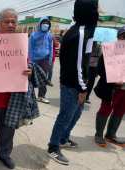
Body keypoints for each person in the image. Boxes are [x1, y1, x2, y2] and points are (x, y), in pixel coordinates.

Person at [0, 8, 38, 170]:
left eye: (13, 22)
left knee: (8, 129)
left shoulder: (20, 43)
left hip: (12, 98)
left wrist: (29, 70)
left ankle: (4, 154)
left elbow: (27, 63)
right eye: (7, 21)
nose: (11, 25)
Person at [47, 0, 99, 165]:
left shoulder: (87, 30)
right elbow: (77, 65)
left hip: (78, 83)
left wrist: (85, 84)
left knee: (76, 113)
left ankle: (63, 138)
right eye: (96, 8)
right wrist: (83, 88)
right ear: (89, 10)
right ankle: (53, 147)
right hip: (72, 84)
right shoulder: (80, 33)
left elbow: (85, 60)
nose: (99, 11)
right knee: (65, 115)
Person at [94, 26, 125, 148]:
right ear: (118, 37)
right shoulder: (110, 50)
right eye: (124, 36)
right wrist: (114, 79)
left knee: (120, 111)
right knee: (106, 109)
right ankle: (99, 134)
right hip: (111, 88)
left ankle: (111, 134)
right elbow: (100, 69)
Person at [29, 17, 53, 104]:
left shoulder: (49, 35)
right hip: (34, 60)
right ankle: (29, 95)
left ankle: (41, 96)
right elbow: (30, 48)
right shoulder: (33, 35)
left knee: (43, 78)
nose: (46, 25)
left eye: (47, 23)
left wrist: (50, 59)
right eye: (44, 23)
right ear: (40, 24)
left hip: (45, 60)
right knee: (31, 78)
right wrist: (30, 61)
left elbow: (50, 48)